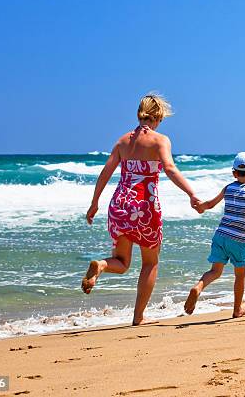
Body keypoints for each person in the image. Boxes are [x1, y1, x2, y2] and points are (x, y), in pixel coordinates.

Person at [82, 93, 200, 325]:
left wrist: (94, 203)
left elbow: (105, 173)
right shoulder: (160, 140)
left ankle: (102, 265)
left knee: (122, 262)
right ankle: (138, 317)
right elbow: (170, 168)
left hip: (120, 204)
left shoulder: (122, 141)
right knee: (150, 262)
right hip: (144, 207)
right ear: (157, 118)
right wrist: (192, 194)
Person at [184, 152, 245, 318]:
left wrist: (200, 206)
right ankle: (237, 309)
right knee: (240, 275)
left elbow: (210, 204)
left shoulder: (228, 187)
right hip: (237, 239)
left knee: (215, 271)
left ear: (234, 173)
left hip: (220, 235)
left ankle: (198, 287)